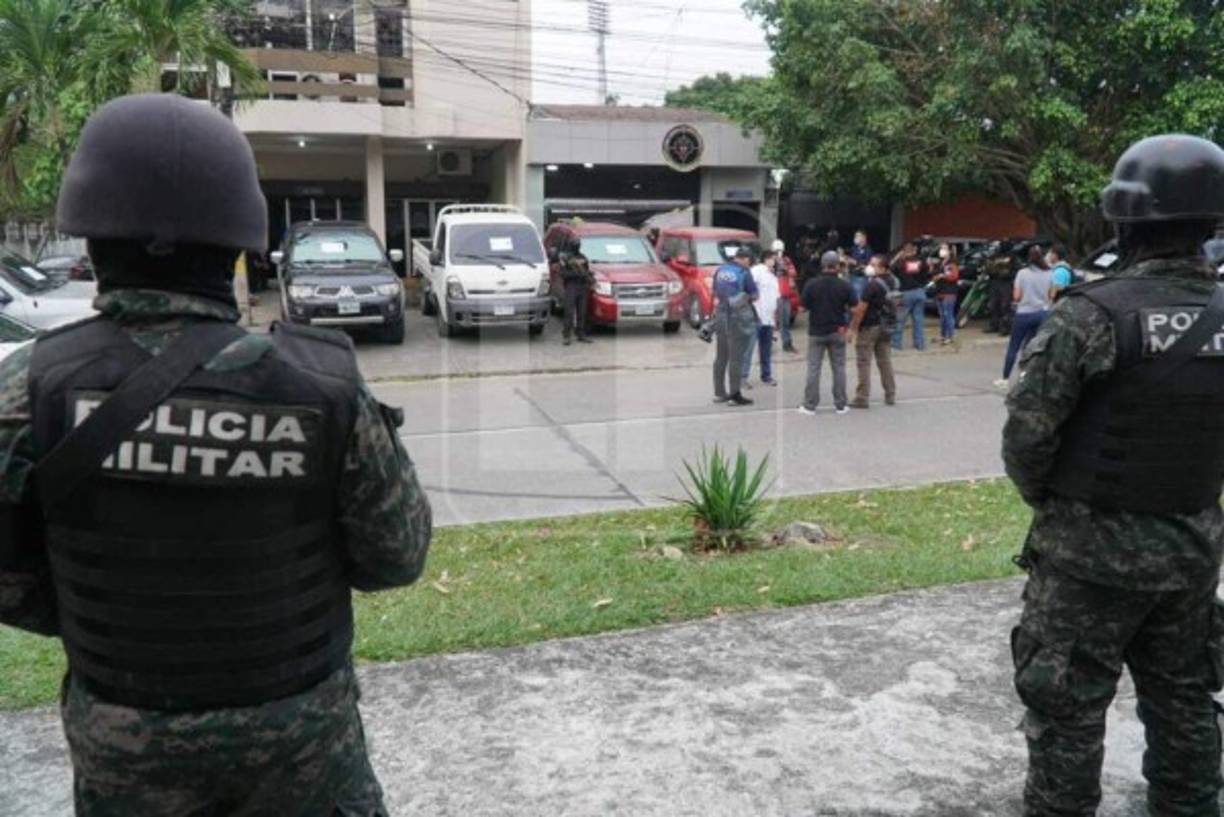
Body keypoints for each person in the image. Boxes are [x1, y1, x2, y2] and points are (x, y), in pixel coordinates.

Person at [0, 94, 433, 816]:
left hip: (126, 762)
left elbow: (12, 585)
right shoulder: (321, 381)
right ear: (240, 242)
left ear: (92, 238)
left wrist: (120, 618)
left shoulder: (29, 386)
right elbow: (398, 554)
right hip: (306, 763)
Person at [1002, 133, 1224, 817]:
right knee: (1186, 704)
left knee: (1067, 715)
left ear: (1125, 220)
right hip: (1190, 553)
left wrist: (1059, 504)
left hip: (1086, 559)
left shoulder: (1089, 315)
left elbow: (1027, 437)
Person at [797, 251, 859, 415]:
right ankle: (841, 405)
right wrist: (851, 327)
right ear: (837, 266)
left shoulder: (811, 284)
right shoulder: (844, 285)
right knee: (839, 368)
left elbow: (802, 308)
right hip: (838, 330)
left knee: (813, 368)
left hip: (816, 331)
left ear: (822, 265)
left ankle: (810, 405)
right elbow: (855, 308)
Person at [996, 245, 1053, 387]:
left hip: (1024, 313)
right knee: (1032, 346)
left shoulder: (1022, 273)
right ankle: (1025, 374)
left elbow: (1017, 296)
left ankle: (1005, 378)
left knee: (1013, 346)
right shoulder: (1050, 273)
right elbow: (1051, 295)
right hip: (1042, 312)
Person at [848, 255, 898, 408]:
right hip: (886, 326)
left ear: (882, 267)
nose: (869, 267)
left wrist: (852, 329)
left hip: (870, 327)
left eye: (873, 264)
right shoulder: (894, 281)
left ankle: (862, 397)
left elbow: (861, 310)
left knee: (864, 362)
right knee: (885, 361)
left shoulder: (872, 285)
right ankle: (890, 395)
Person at [711, 246, 759, 406]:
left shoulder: (721, 270)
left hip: (720, 315)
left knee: (721, 357)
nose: (749, 264)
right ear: (745, 259)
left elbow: (714, 291)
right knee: (736, 358)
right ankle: (734, 395)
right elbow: (755, 295)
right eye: (749, 261)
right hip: (737, 319)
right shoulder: (744, 273)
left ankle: (719, 393)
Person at [747, 249, 781, 386]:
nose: (775, 261)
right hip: (756, 316)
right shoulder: (757, 271)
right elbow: (749, 288)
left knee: (766, 349)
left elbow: (775, 299)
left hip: (768, 317)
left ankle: (766, 375)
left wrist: (774, 320)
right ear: (766, 259)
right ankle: (743, 377)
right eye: (773, 258)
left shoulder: (773, 276)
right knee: (748, 349)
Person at [889, 242, 929, 350]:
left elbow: (890, 268)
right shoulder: (921, 262)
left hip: (906, 293)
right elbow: (927, 272)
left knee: (900, 320)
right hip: (920, 292)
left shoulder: (900, 263)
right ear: (914, 250)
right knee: (918, 320)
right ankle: (919, 344)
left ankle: (896, 344)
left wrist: (898, 256)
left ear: (904, 251)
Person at [558, 235, 593, 345]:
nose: (577, 246)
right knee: (569, 312)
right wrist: (576, 274)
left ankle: (580, 334)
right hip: (571, 286)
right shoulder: (565, 257)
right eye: (575, 244)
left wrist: (588, 276)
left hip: (582, 286)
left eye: (578, 244)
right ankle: (566, 335)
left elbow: (587, 271)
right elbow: (563, 274)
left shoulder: (583, 257)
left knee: (582, 312)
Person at [771, 239, 799, 353]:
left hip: (784, 294)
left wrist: (785, 269)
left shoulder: (786, 261)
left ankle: (787, 344)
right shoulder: (769, 261)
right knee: (768, 322)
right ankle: (767, 345)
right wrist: (774, 266)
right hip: (772, 295)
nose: (778, 253)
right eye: (777, 251)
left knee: (785, 322)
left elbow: (793, 272)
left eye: (780, 250)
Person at [931, 243, 960, 345]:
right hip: (940, 292)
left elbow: (953, 276)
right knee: (942, 316)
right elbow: (934, 274)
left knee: (948, 315)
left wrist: (942, 276)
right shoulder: (941, 263)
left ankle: (950, 336)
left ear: (949, 251)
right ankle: (943, 335)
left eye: (944, 248)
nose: (941, 251)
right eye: (941, 248)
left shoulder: (952, 263)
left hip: (949, 293)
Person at [986, 241, 1018, 335]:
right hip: (995, 281)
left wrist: (1007, 275)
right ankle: (994, 325)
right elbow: (989, 266)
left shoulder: (1012, 257)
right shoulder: (995, 256)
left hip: (1006, 283)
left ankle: (1005, 328)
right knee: (993, 305)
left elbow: (1015, 270)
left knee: (1005, 306)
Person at [847, 229, 874, 299]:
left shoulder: (868, 249)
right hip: (852, 276)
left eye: (857, 236)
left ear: (864, 237)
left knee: (859, 297)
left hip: (861, 277)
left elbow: (868, 263)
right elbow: (850, 258)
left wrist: (855, 262)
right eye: (855, 236)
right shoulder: (854, 248)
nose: (856, 238)